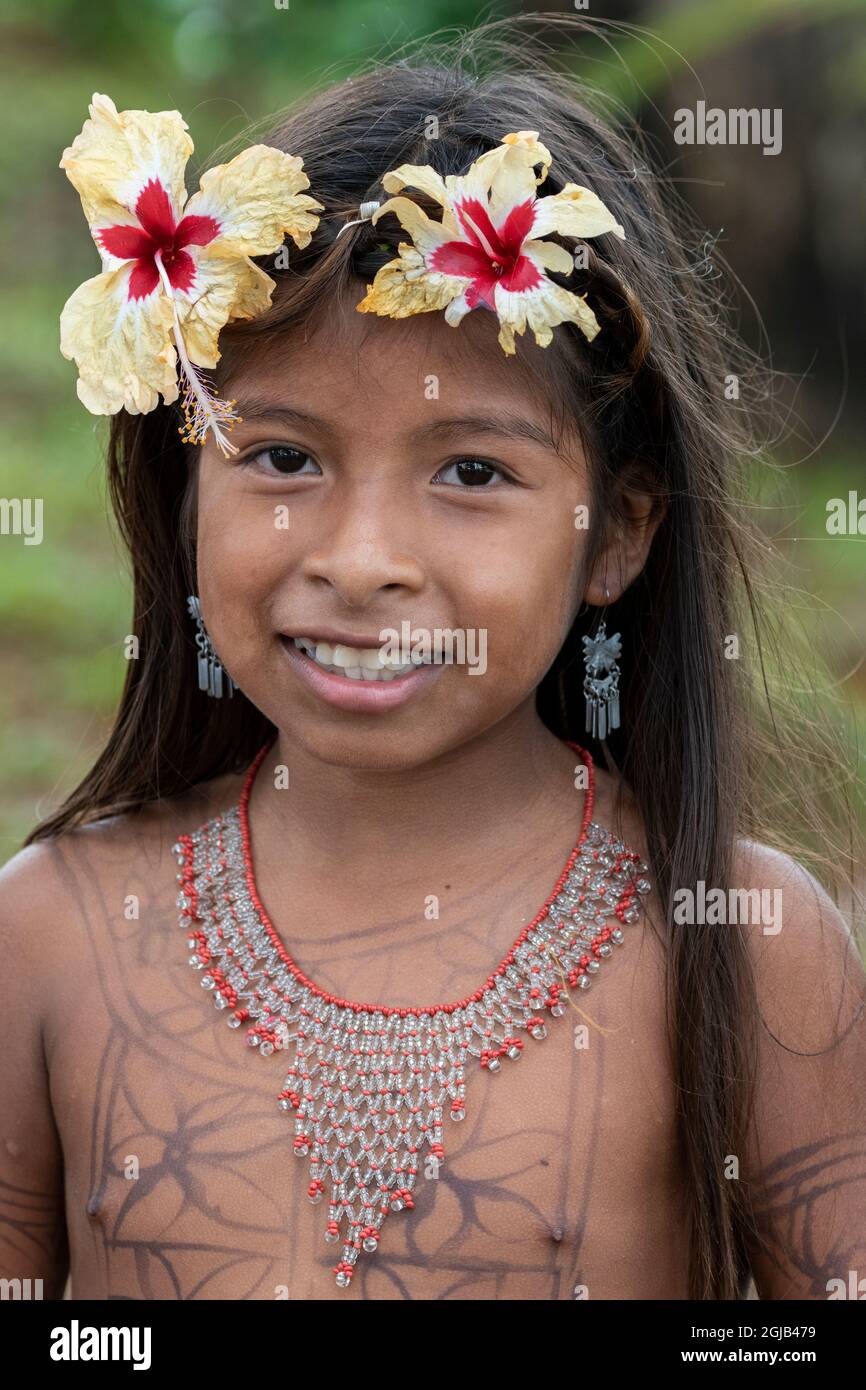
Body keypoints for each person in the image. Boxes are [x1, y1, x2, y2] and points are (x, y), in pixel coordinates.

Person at [1, 19, 863, 1301]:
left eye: (471, 472)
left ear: (616, 534)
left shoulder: (739, 943)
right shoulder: (50, 928)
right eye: (282, 456)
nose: (360, 560)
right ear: (188, 485)